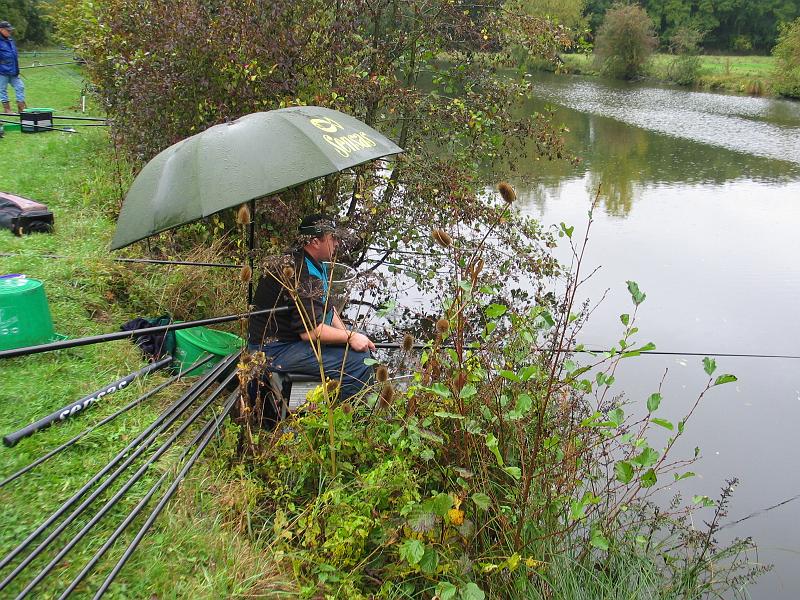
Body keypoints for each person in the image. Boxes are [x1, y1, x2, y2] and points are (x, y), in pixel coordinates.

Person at [248, 213, 376, 400]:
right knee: (359, 364)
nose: (337, 243)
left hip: (290, 341)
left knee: (360, 350)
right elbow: (311, 332)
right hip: (273, 349)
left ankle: (335, 406)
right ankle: (346, 419)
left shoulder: (317, 264)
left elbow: (328, 310)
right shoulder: (301, 271)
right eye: (333, 238)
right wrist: (350, 337)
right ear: (315, 241)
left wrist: (350, 337)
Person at [0, 20, 25, 114]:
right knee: (2, 90)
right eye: (8, 30)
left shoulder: (10, 40)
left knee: (20, 87)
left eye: (10, 30)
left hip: (13, 70)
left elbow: (14, 55)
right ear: (1, 30)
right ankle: (7, 110)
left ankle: (21, 109)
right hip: (2, 71)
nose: (10, 32)